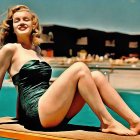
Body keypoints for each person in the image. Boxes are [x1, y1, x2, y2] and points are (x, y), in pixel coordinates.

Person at [0, 5, 140, 136]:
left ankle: (135, 121)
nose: (22, 22)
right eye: (17, 20)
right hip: (37, 114)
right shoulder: (10, 49)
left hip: (51, 112)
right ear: (12, 27)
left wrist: (20, 115)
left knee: (96, 76)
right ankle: (107, 122)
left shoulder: (37, 50)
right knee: (79, 68)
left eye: (26, 19)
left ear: (33, 24)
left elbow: (25, 84)